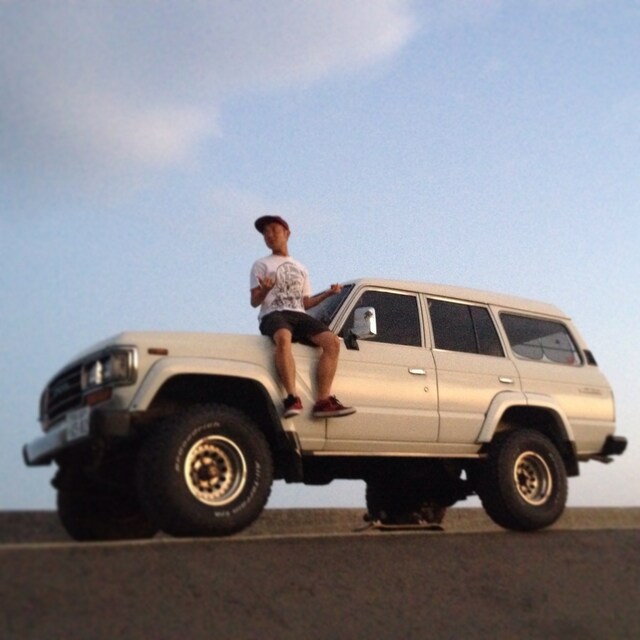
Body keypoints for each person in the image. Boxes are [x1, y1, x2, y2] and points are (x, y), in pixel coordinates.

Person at [250, 215, 356, 419]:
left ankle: (323, 401)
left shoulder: (300, 268)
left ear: (287, 233)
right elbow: (255, 301)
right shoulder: (261, 264)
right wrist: (265, 290)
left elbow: (305, 303)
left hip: (298, 315)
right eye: (265, 232)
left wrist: (328, 294)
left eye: (274, 230)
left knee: (332, 342)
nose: (269, 235)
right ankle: (292, 397)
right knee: (283, 337)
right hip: (273, 314)